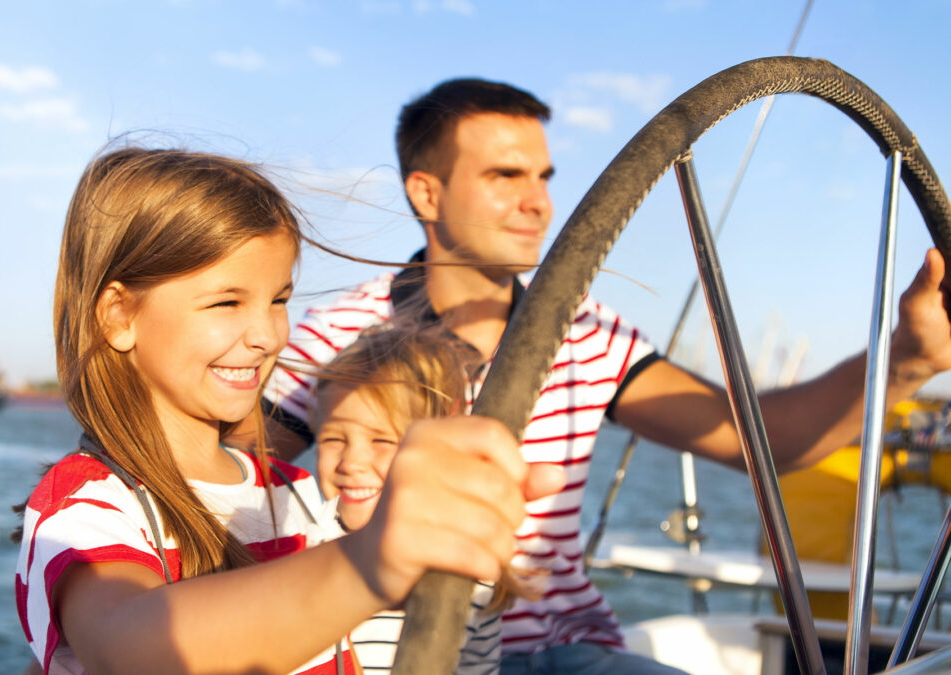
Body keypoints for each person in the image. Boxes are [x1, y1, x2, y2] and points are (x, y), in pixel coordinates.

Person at [260, 78, 951, 674]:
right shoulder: (333, 337)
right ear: (426, 191)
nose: (538, 202)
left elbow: (764, 441)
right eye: (505, 176)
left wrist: (908, 353)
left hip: (560, 651)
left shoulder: (588, 331)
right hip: (398, 649)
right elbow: (226, 488)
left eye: (544, 178)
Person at [13, 146, 564, 675]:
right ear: (118, 316)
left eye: (279, 299)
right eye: (227, 302)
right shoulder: (86, 503)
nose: (267, 334)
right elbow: (131, 647)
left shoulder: (298, 495)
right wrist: (368, 561)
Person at [311, 325, 523, 674]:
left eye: (382, 441)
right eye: (333, 438)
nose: (351, 463)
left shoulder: (475, 569)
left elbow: (478, 668)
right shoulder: (297, 549)